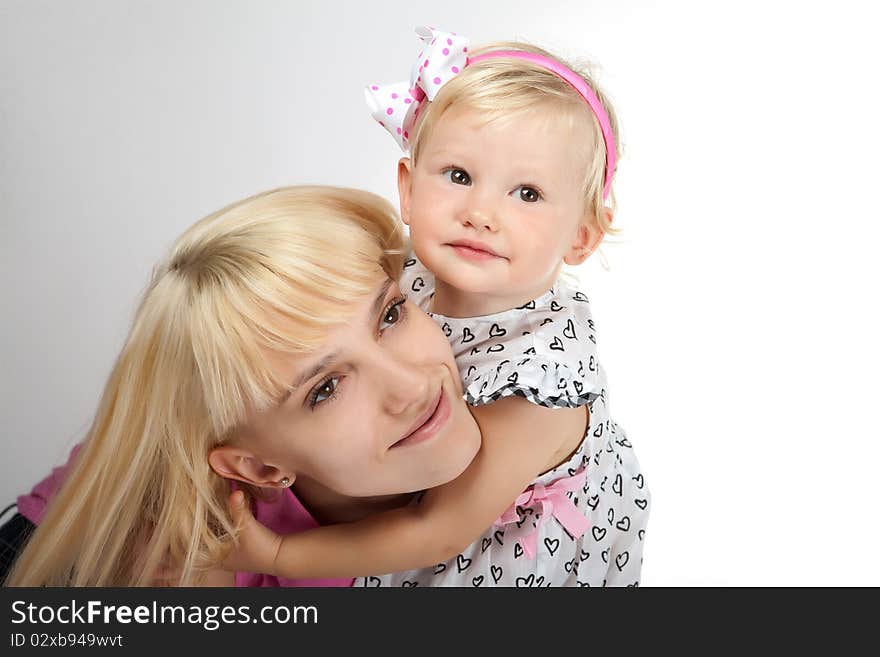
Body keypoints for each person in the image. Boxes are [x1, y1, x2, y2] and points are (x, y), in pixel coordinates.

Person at [225, 27, 650, 587]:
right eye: (458, 175)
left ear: (581, 237)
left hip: (507, 541)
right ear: (407, 190)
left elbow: (439, 529)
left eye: (527, 194)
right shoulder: (405, 278)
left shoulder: (541, 388)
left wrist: (279, 556)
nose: (480, 212)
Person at [3, 185, 482, 586]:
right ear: (259, 468)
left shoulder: (523, 360)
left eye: (390, 315)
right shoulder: (201, 562)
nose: (413, 385)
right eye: (325, 389)